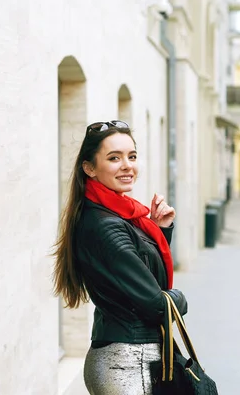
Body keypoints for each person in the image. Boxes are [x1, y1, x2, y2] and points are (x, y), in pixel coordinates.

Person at [53, 120, 188, 394]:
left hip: (131, 356)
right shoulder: (107, 225)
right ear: (89, 168)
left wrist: (161, 232)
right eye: (114, 158)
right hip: (127, 363)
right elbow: (154, 303)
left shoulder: (118, 215)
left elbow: (139, 277)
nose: (127, 165)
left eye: (132, 156)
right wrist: (180, 299)